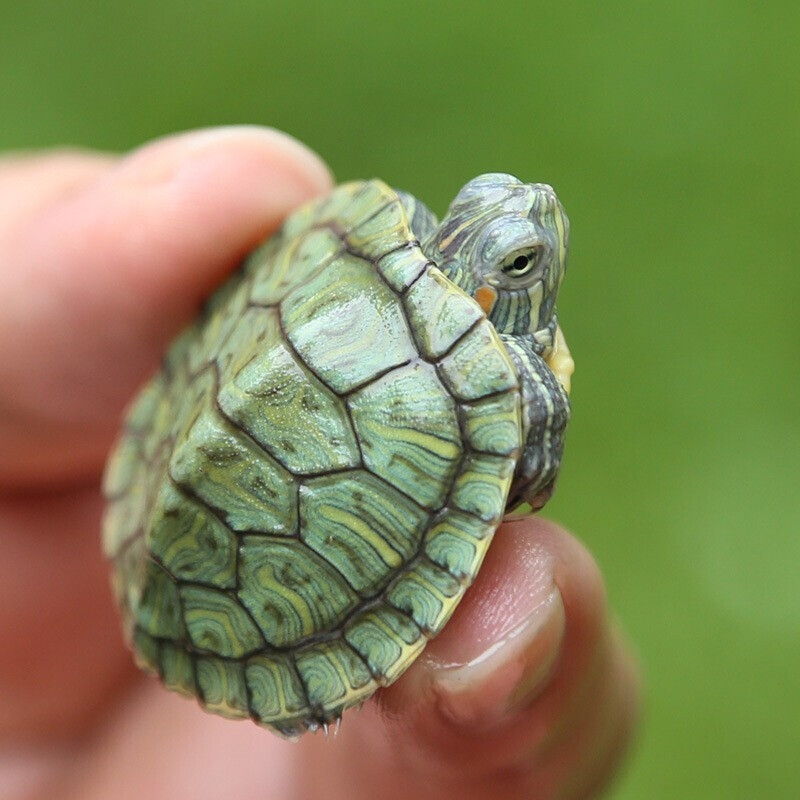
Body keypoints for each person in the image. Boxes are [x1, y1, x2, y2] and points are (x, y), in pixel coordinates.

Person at [0, 127, 639, 800]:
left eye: (521, 262)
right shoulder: (501, 387)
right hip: (223, 568)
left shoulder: (368, 239)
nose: (538, 205)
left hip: (163, 517)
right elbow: (527, 475)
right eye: (519, 266)